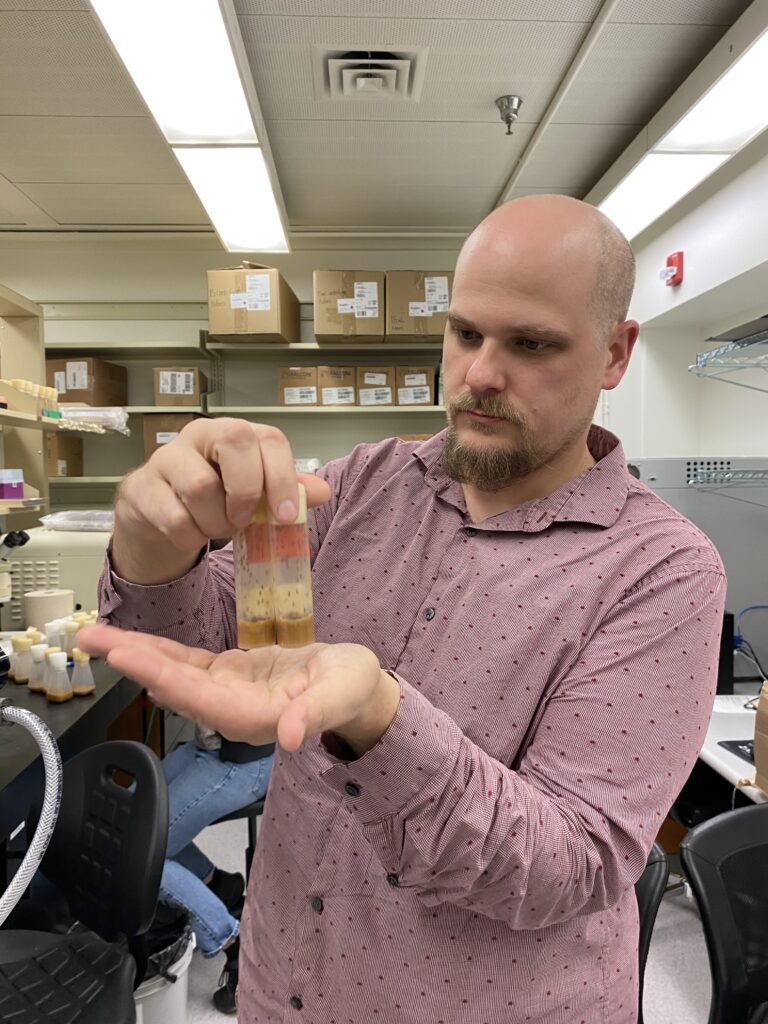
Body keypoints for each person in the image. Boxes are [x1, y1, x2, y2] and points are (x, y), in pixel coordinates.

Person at [82, 195, 726, 1024]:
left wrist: (377, 716)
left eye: (530, 343)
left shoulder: (662, 571)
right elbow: (204, 649)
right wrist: (154, 544)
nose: (481, 374)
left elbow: (570, 865)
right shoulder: (360, 486)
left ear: (615, 352)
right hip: (289, 989)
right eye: (465, 334)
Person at [158, 732, 273, 1014]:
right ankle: (218, 886)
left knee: (142, 856)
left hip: (243, 756)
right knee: (130, 815)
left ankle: (236, 945)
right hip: (207, 745)